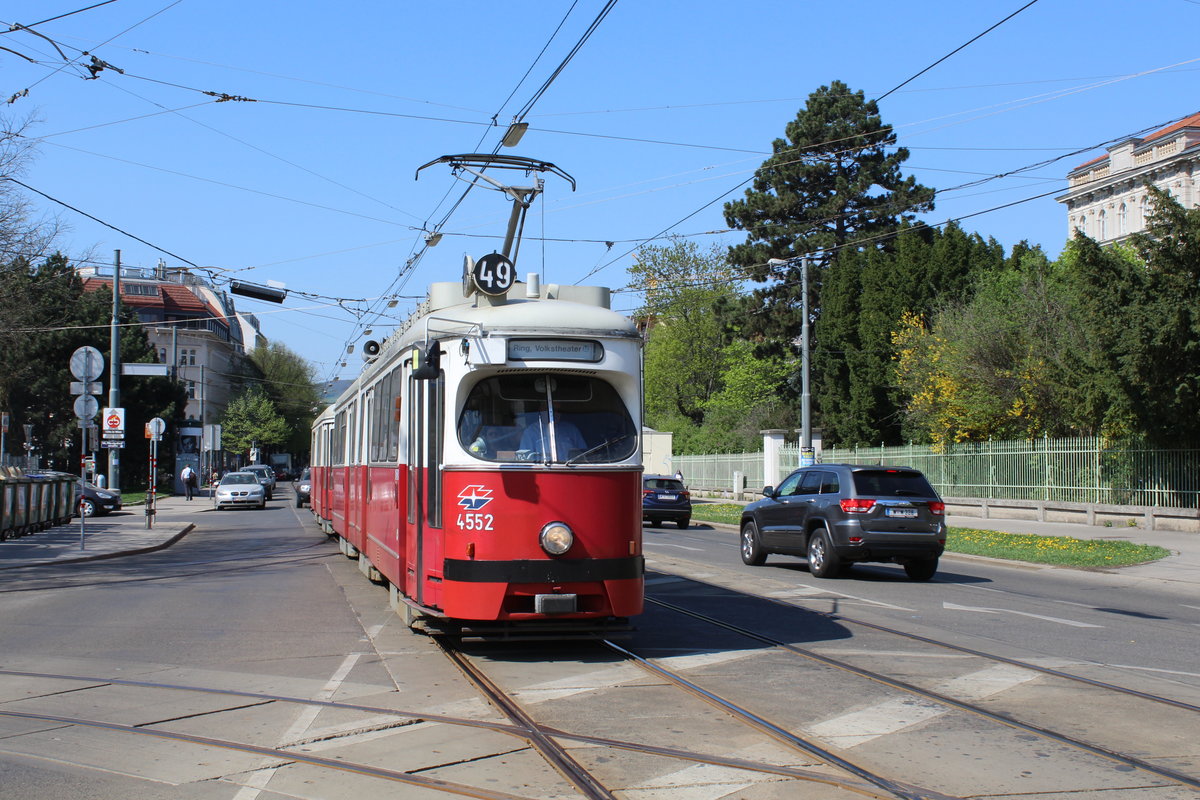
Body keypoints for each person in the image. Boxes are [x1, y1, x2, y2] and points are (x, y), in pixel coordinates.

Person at [519, 411, 587, 462]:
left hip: (571, 470)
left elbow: (584, 454)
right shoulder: (531, 432)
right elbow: (525, 459)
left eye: (557, 410)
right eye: (547, 410)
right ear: (541, 410)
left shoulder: (571, 429)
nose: (553, 414)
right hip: (543, 471)